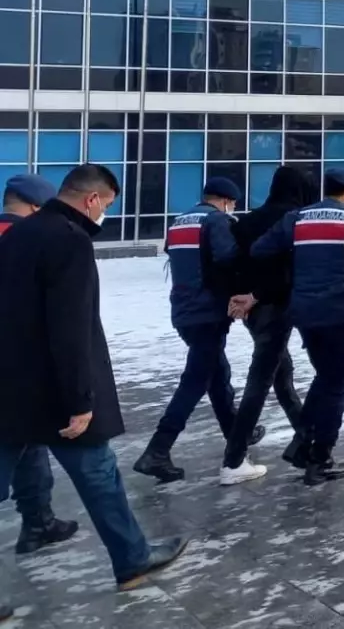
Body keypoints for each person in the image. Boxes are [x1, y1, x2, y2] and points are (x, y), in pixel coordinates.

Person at [0, 164, 187, 592]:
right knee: (99, 475)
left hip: (10, 386)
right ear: (91, 200)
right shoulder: (69, 241)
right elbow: (71, 327)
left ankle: (132, 559)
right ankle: (132, 560)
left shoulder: (18, 237)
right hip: (54, 392)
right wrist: (80, 399)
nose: (105, 213)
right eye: (107, 205)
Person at [250, 168, 344, 485]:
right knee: (336, 382)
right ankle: (320, 457)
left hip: (304, 312)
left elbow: (259, 249)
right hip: (342, 311)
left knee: (326, 376)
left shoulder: (296, 219)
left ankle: (303, 442)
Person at [134, 177, 251, 485]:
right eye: (233, 204)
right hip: (207, 311)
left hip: (184, 310)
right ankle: (158, 449)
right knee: (196, 380)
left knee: (217, 374)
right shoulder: (216, 222)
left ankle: (237, 433)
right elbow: (228, 260)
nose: (233, 208)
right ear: (226, 200)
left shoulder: (179, 222)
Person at [0, 174, 79, 557]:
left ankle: (38, 522)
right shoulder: (30, 241)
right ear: (36, 207)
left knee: (30, 444)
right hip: (18, 365)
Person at [220, 166, 313, 485]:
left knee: (281, 377)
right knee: (260, 381)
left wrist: (240, 297)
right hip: (275, 305)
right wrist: (258, 295)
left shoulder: (246, 221)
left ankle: (308, 440)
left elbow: (233, 263)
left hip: (252, 310)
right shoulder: (295, 219)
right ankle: (233, 460)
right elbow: (287, 271)